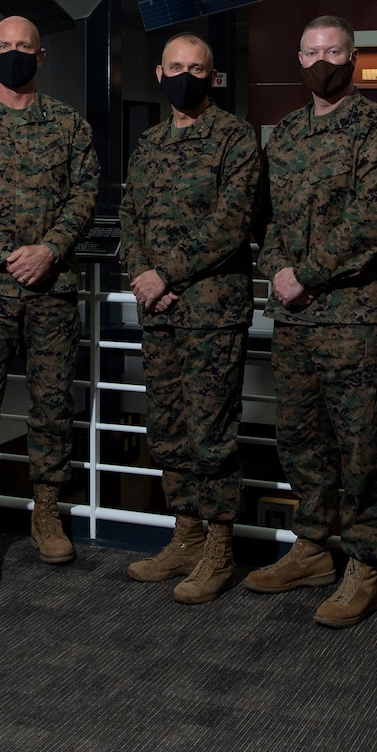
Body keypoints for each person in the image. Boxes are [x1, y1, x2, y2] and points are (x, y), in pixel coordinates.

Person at [247, 14, 377, 628]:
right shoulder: (284, 133)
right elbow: (260, 218)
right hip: (292, 320)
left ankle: (363, 562)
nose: (324, 61)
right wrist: (279, 269)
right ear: (298, 57)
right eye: (313, 51)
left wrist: (305, 274)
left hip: (352, 320)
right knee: (299, 442)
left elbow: (369, 225)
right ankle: (313, 548)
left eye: (334, 51)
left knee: (358, 446)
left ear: (354, 56)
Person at [0, 15, 98, 585]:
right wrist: (11, 252)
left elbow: (85, 194)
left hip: (51, 291)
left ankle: (46, 514)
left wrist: (49, 250)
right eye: (4, 47)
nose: (14, 54)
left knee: (53, 408)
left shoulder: (68, 125)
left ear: (41, 56)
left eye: (24, 46)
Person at [120, 33, 261, 604]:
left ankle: (219, 550)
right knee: (169, 428)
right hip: (159, 313)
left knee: (212, 434)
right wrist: (141, 276)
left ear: (213, 75)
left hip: (211, 315)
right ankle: (185, 534)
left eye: (196, 68)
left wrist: (167, 275)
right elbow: (129, 217)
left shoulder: (236, 139)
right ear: (159, 73)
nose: (186, 75)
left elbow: (232, 226)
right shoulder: (149, 144)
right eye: (176, 67)